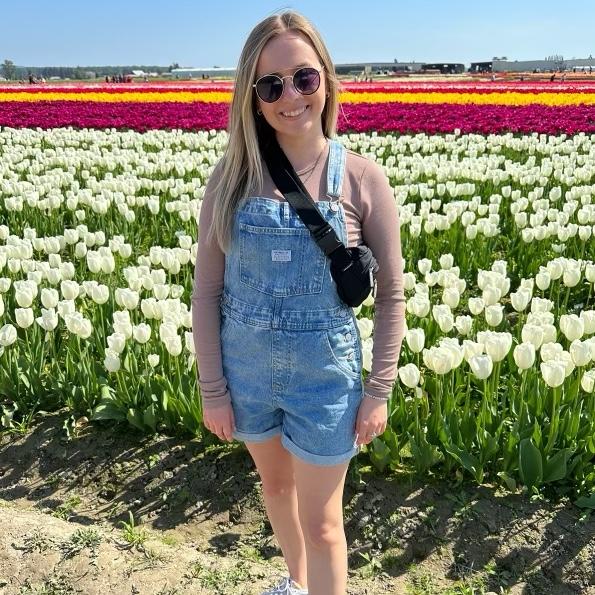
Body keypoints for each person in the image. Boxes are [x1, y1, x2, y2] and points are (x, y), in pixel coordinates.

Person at [191, 10, 405, 595]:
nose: (291, 96)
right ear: (252, 97)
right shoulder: (230, 179)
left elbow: (392, 294)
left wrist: (379, 390)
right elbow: (206, 292)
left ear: (326, 80)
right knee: (277, 489)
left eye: (304, 78)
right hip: (247, 372)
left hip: (325, 380)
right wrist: (214, 390)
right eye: (271, 85)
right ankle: (297, 582)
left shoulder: (361, 179)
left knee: (325, 524)